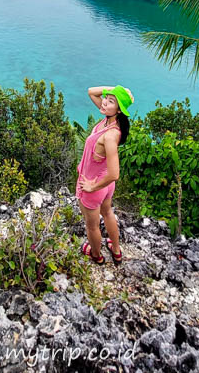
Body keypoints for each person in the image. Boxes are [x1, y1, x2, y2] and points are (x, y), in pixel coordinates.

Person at [76, 84, 132, 265]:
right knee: (107, 213)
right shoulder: (109, 119)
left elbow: (115, 173)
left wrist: (92, 186)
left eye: (111, 101)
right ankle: (116, 250)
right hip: (105, 185)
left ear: (119, 110)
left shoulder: (110, 135)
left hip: (95, 186)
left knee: (92, 226)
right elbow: (91, 91)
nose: (105, 102)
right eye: (106, 99)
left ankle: (96, 256)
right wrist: (117, 91)